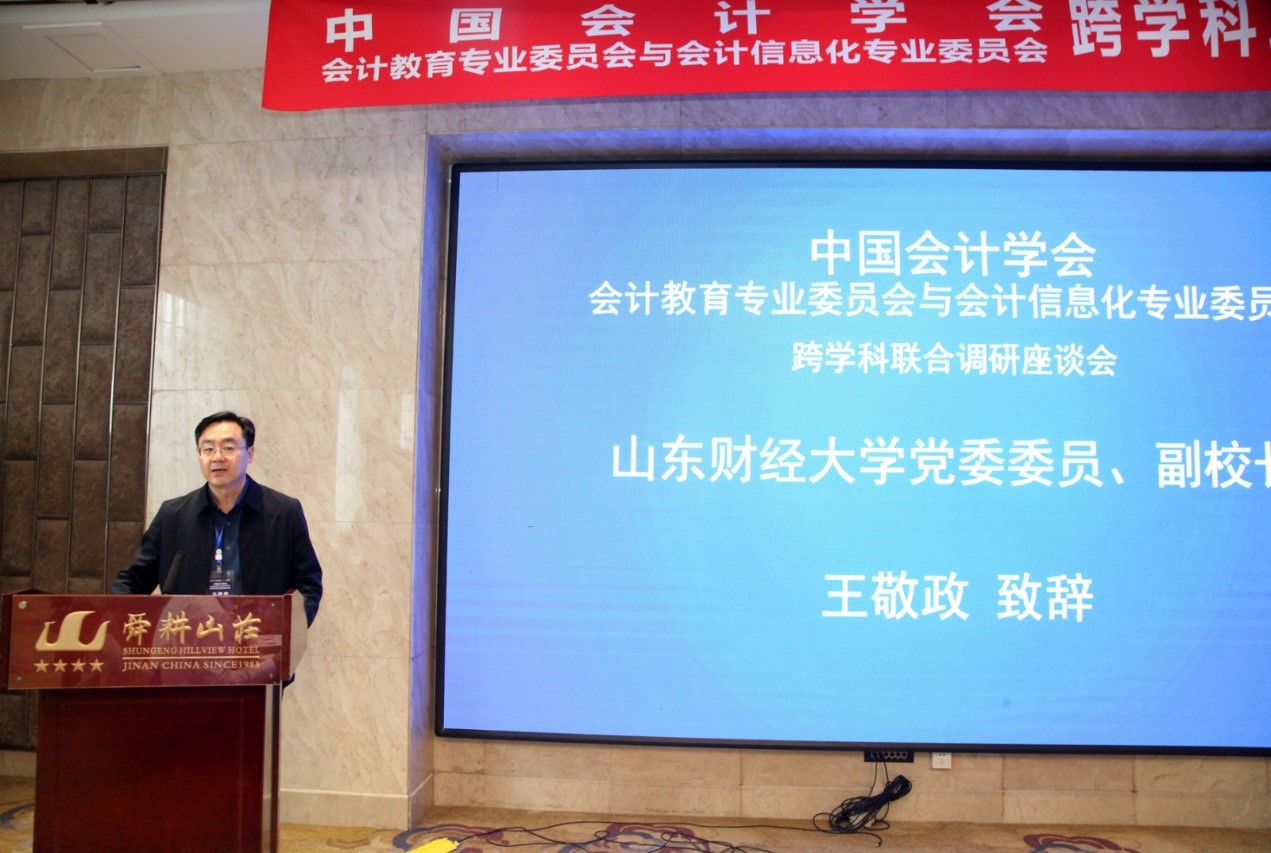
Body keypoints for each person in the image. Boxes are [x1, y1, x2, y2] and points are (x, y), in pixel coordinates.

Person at [111, 411, 322, 626]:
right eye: (208, 449)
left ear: (250, 453)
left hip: (256, 637)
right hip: (190, 640)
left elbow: (308, 583)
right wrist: (118, 622)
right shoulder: (173, 515)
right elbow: (132, 581)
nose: (217, 457)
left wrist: (288, 630)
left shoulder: (283, 512)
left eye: (228, 448)